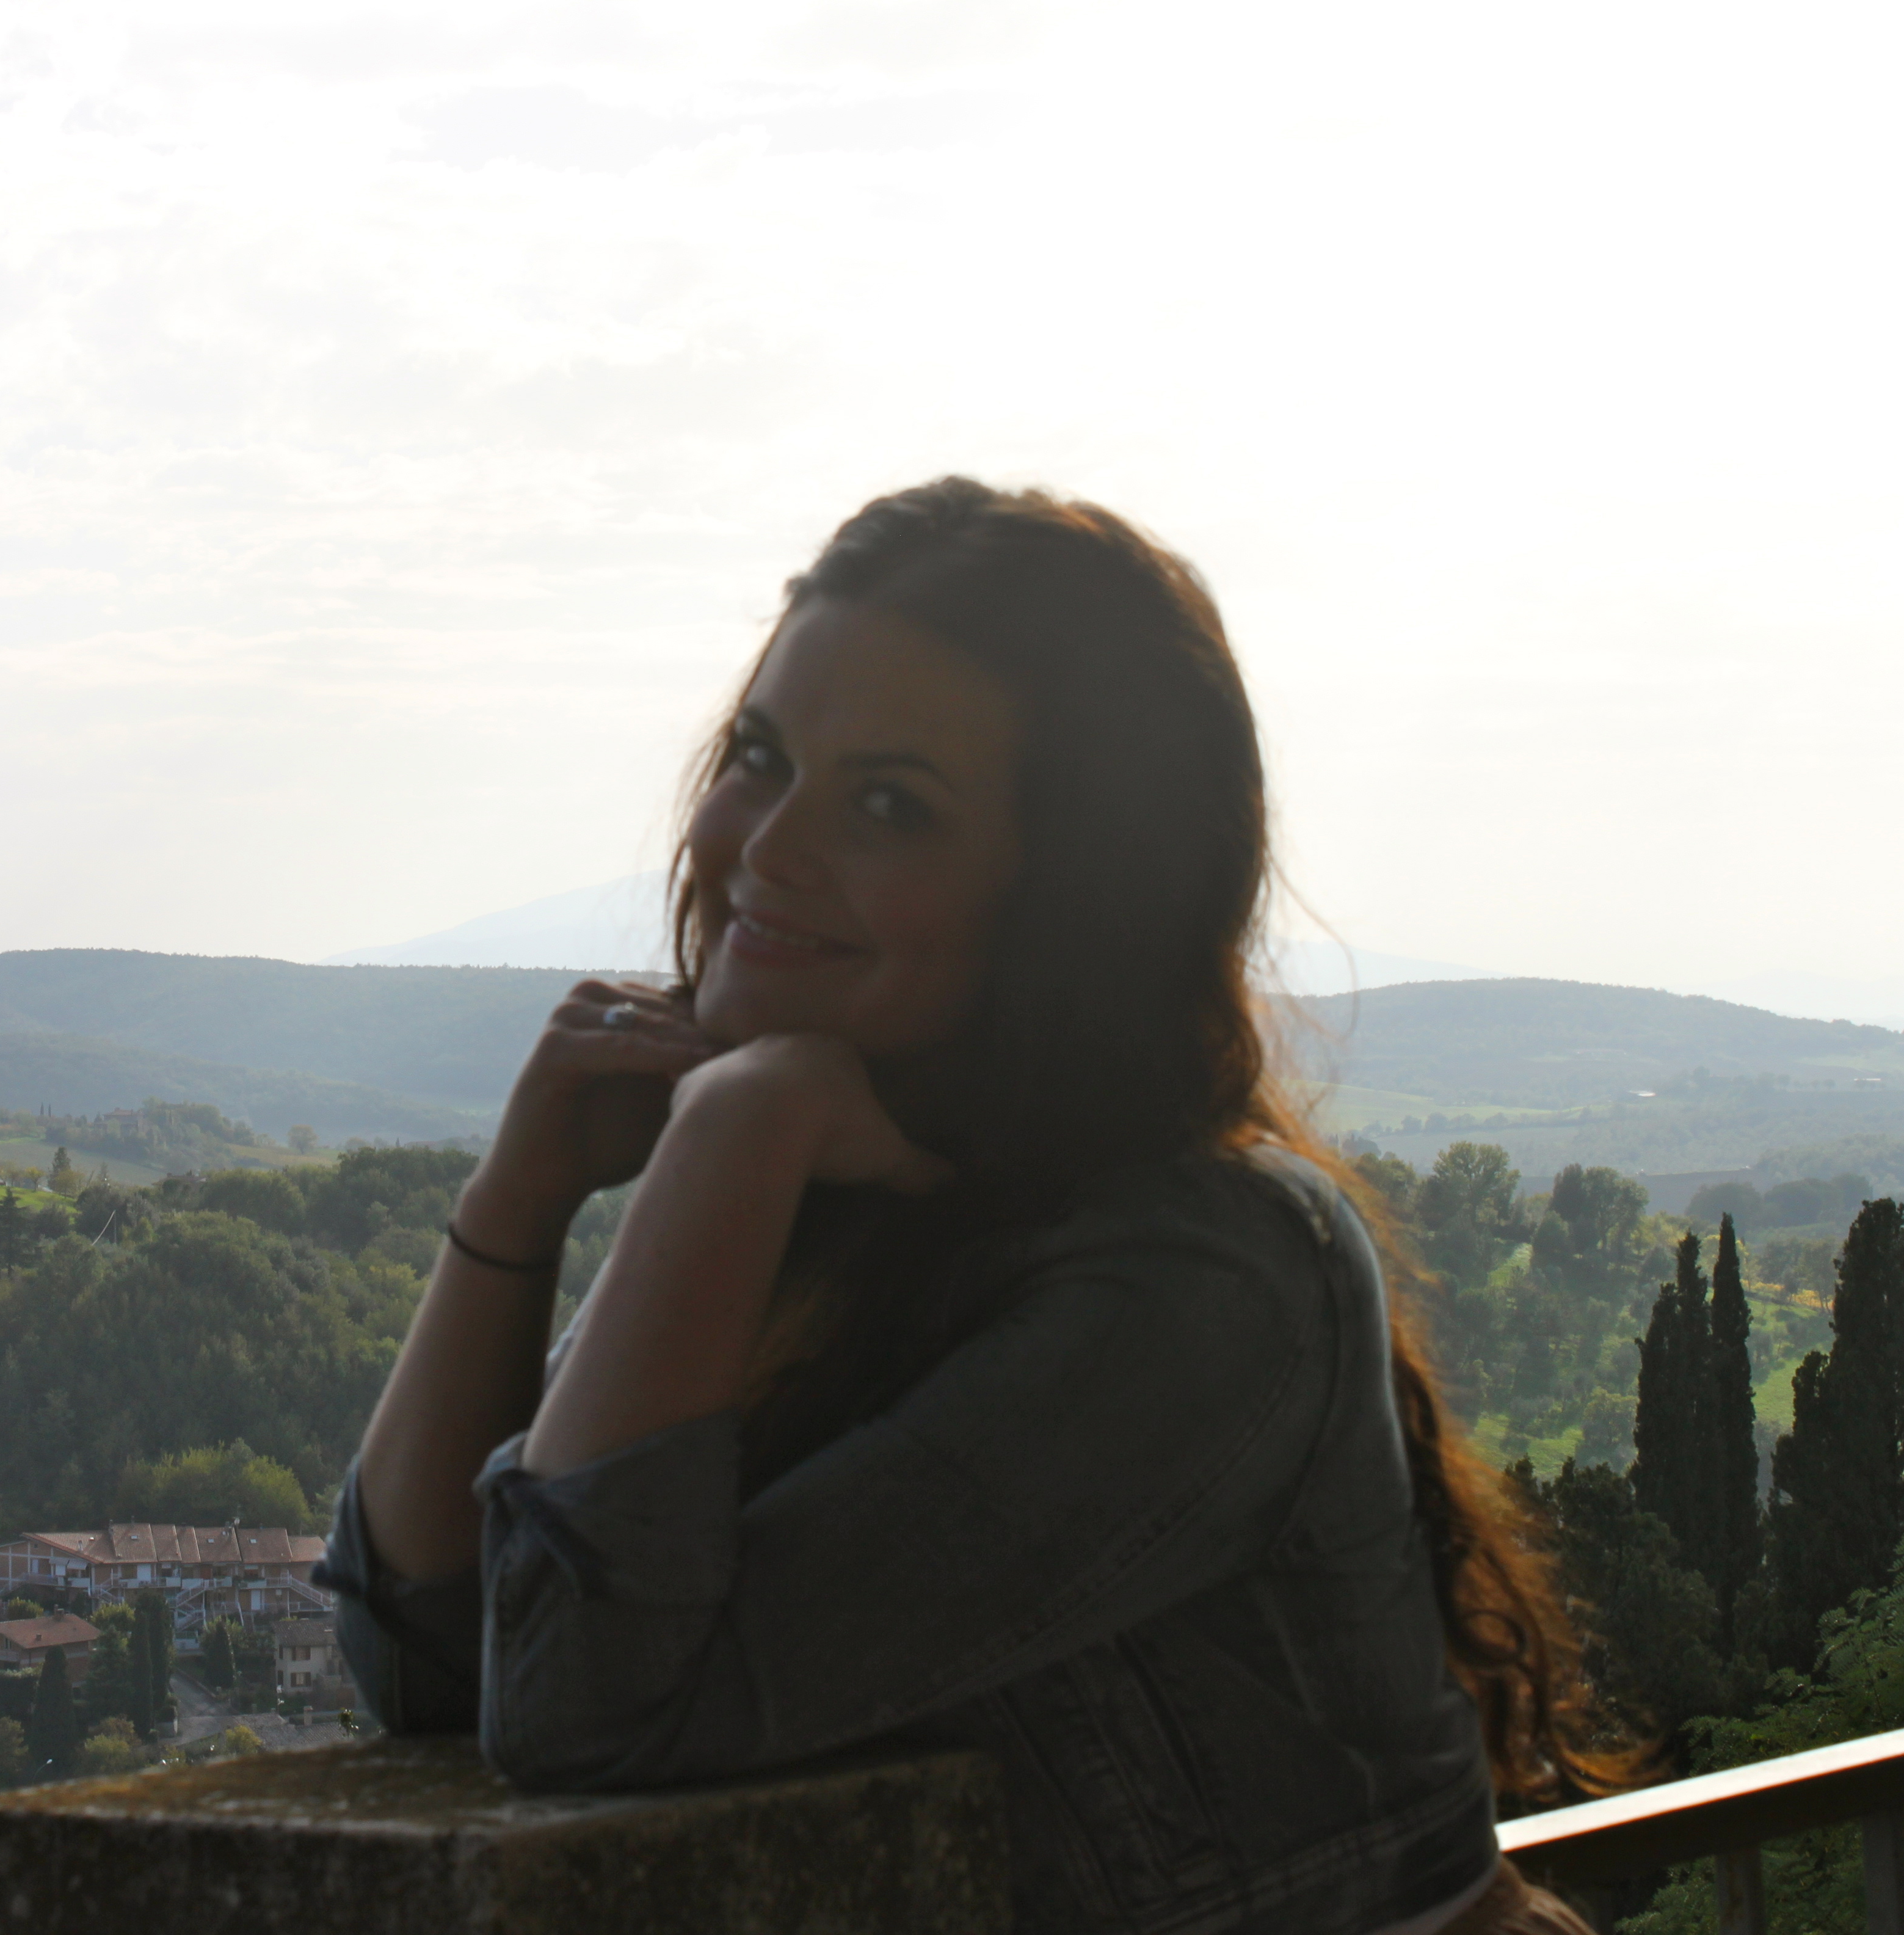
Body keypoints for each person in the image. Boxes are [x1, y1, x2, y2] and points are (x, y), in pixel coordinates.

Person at [318, 478, 1619, 1933]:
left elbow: (576, 1706)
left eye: (890, 805)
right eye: (761, 757)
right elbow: (432, 1669)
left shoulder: (1202, 1279)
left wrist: (731, 1130)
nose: (769, 847)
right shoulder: (838, 1201)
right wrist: (519, 1203)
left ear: (1071, 894)